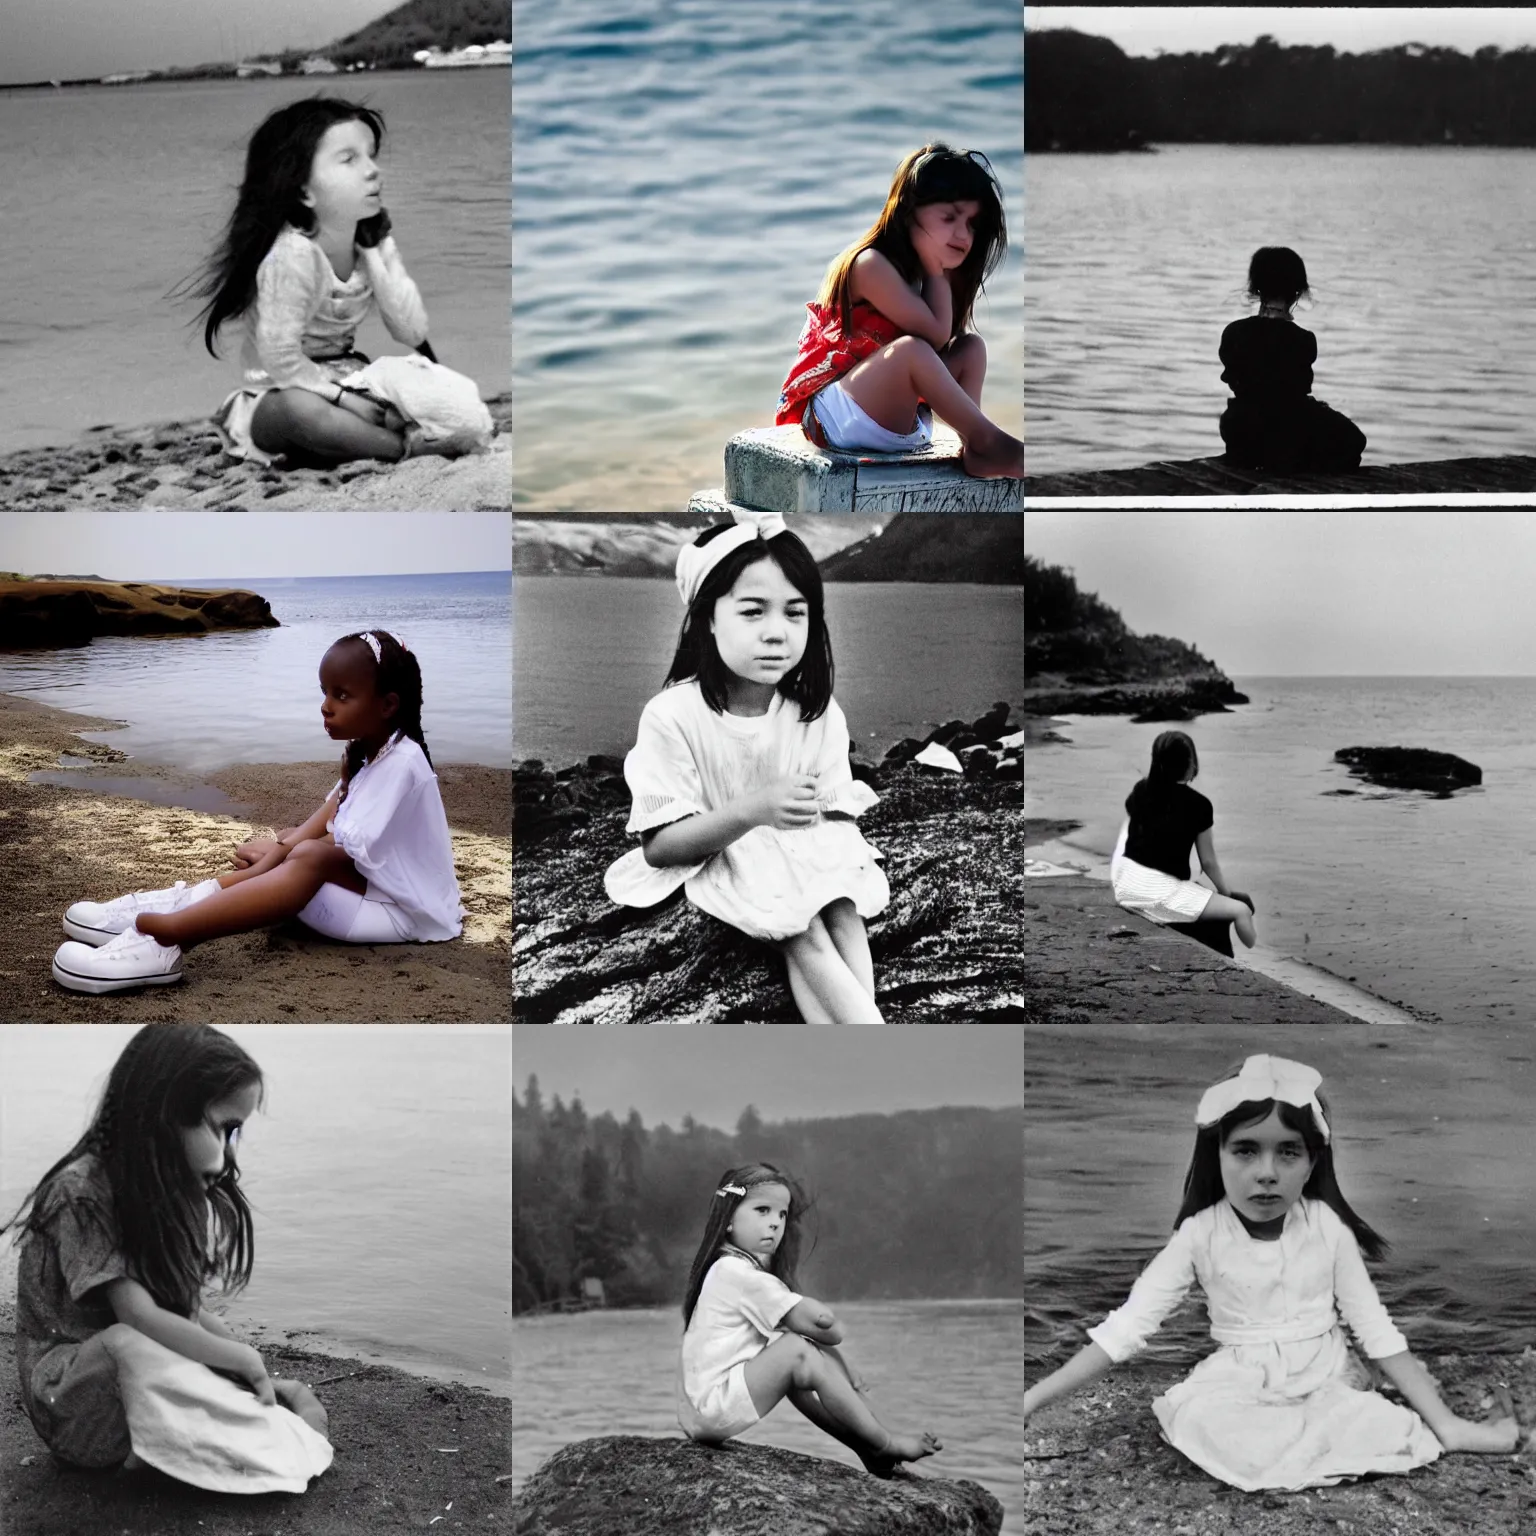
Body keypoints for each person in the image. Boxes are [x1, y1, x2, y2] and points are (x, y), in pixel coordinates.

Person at [1023, 1055, 1520, 1490]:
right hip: (1239, 1380)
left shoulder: (1326, 1228)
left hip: (1326, 1375)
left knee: (1372, 1426)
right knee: (1218, 1428)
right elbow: (1125, 1331)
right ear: (1215, 1154)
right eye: (1245, 1150)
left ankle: (1366, 1423)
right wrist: (1029, 1401)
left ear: (1311, 1162)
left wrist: (1448, 1425)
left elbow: (1375, 1330)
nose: (1266, 1172)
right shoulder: (1200, 1235)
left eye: (1287, 1151)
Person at [1, 1026, 332, 1492]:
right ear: (165, 1114)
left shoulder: (172, 1188)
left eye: (236, 1131)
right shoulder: (81, 1192)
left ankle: (245, 1425)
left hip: (141, 1380)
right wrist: (237, 1358)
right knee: (126, 1342)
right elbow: (138, 1319)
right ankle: (167, 1454)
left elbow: (187, 1314)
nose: (228, 1149)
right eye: (223, 1127)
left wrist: (245, 1360)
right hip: (74, 1408)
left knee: (236, 1388)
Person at [51, 629, 464, 994]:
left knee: (305, 856)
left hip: (403, 916)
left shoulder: (405, 761)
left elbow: (341, 847)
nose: (325, 706)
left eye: (341, 695)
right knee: (290, 842)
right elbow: (326, 817)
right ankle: (185, 902)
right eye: (324, 691)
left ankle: (170, 935)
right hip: (367, 898)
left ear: (388, 704)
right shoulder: (369, 753)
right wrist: (280, 848)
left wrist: (271, 861)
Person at [604, 513, 889, 1024]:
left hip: (799, 848)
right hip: (723, 848)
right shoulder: (673, 716)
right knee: (800, 928)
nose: (777, 634)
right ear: (708, 618)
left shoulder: (815, 714)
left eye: (795, 613)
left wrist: (814, 850)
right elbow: (660, 847)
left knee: (841, 907)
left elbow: (830, 819)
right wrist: (756, 810)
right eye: (753, 612)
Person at [186, 96, 434, 466]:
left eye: (371, 156)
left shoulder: (368, 244)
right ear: (304, 191)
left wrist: (378, 252)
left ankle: (369, 439)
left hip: (349, 378)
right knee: (302, 411)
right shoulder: (293, 254)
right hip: (279, 391)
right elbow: (279, 357)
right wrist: (343, 399)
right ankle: (403, 450)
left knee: (420, 389)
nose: (373, 171)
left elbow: (409, 332)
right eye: (349, 159)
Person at [775, 143, 1023, 479]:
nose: (963, 234)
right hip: (836, 418)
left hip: (896, 420)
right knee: (911, 351)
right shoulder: (870, 264)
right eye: (949, 217)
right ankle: (988, 441)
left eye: (972, 224)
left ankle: (974, 446)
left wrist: (939, 273)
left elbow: (942, 344)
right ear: (908, 212)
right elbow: (932, 337)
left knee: (971, 348)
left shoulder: (922, 273)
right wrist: (936, 270)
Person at [679, 1162, 941, 1473]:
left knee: (796, 1362)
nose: (776, 1223)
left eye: (782, 1214)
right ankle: (884, 1443)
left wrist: (840, 1362)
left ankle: (866, 1446)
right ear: (728, 1220)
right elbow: (824, 1324)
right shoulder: (738, 1273)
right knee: (797, 1352)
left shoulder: (727, 1267)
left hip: (702, 1412)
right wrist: (833, 1336)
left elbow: (804, 1333)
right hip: (713, 1408)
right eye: (762, 1210)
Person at [1218, 247, 1367, 472]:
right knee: (1354, 440)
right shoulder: (1303, 340)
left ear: (1255, 288)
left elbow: (1233, 379)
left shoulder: (1233, 332)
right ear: (1298, 291)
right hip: (1287, 430)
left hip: (1239, 426)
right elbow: (1295, 394)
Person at [1110, 730, 1258, 949]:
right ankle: (1258, 962)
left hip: (1126, 886)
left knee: (1200, 894)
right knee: (1242, 909)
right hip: (1157, 892)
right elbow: (1208, 862)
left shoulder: (1141, 789)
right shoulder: (1199, 804)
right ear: (1191, 764)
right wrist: (1226, 895)